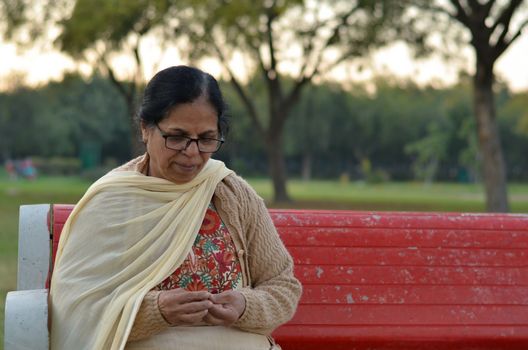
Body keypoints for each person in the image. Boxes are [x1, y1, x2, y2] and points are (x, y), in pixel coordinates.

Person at [49, 65, 302, 350]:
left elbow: (282, 286)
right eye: (177, 137)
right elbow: (78, 306)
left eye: (206, 139)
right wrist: (156, 310)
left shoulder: (232, 192)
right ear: (146, 129)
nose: (192, 153)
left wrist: (245, 305)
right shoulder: (111, 202)